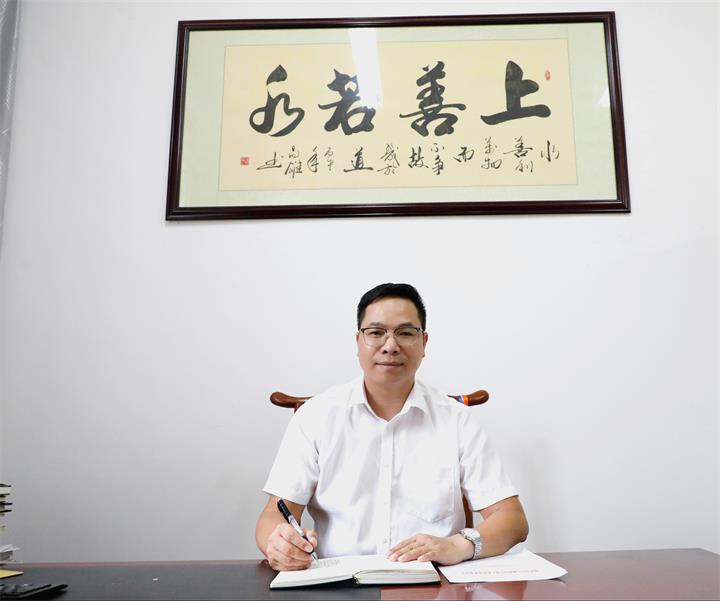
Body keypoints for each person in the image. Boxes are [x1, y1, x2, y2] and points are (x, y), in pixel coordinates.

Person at [255, 283, 529, 571]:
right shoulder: (316, 416)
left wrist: (457, 546)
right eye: (376, 333)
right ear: (358, 342)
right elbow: (274, 515)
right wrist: (280, 544)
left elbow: (512, 519)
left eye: (405, 333)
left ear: (424, 343)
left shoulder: (456, 419)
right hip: (339, 582)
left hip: (434, 582)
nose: (390, 346)